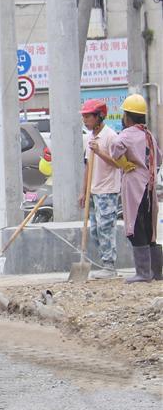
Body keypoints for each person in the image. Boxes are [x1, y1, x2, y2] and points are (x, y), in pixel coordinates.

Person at [107, 94, 162, 283]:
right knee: (149, 228)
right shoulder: (149, 135)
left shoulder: (127, 134)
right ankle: (156, 272)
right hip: (150, 186)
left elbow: (115, 147)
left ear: (128, 116)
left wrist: (124, 162)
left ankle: (143, 273)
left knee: (136, 227)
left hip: (135, 186)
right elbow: (159, 158)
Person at [79, 99, 121, 278]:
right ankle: (104, 262)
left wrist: (100, 152)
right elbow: (88, 166)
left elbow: (118, 163)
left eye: (88, 117)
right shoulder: (89, 138)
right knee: (95, 230)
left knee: (106, 228)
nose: (85, 120)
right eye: (84, 117)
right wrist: (83, 191)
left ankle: (109, 265)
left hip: (108, 190)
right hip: (93, 190)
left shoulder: (111, 137)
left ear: (99, 116)